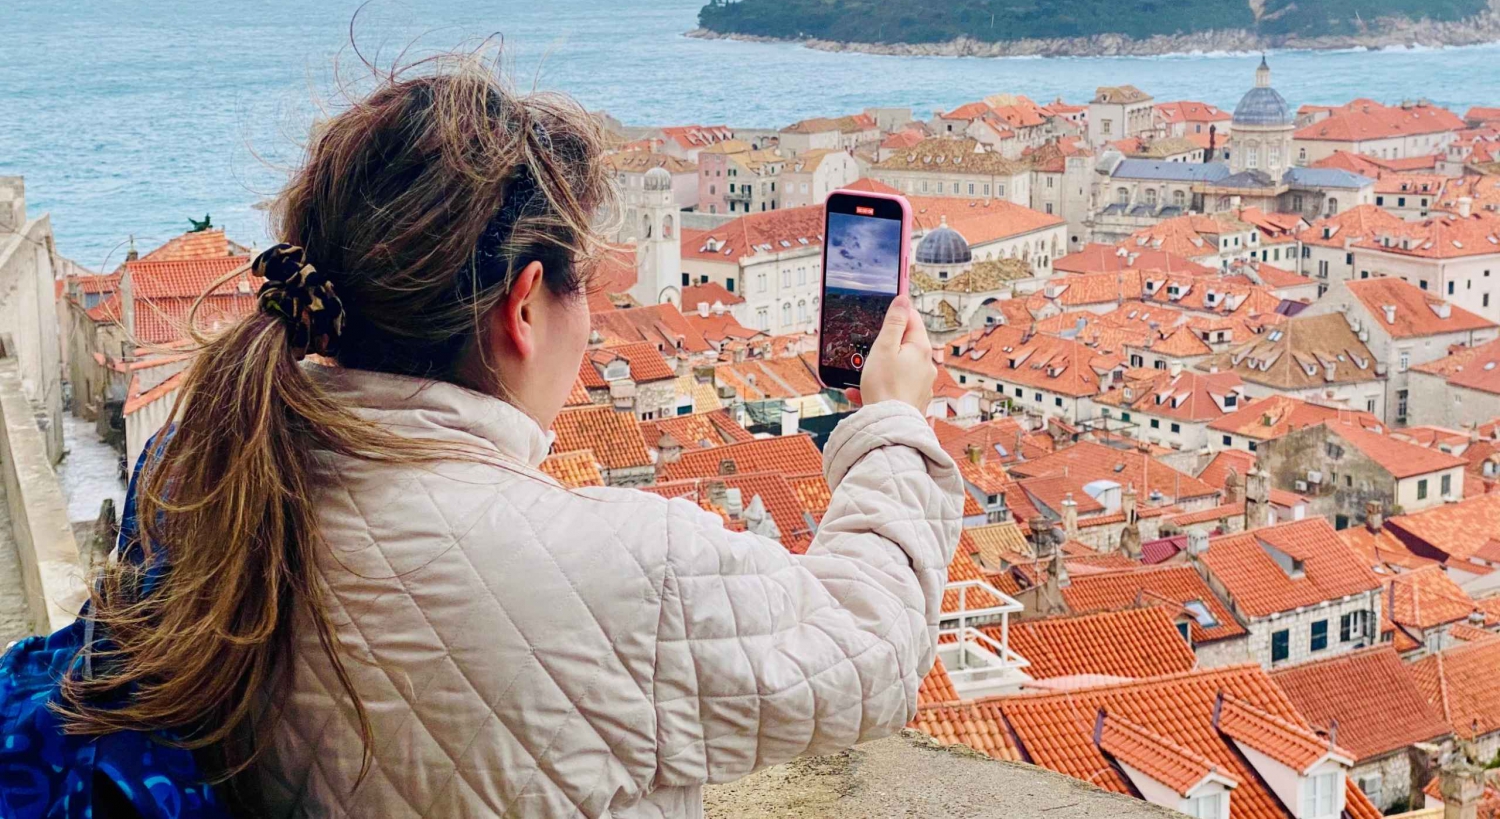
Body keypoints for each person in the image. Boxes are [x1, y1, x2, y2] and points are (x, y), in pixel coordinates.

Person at [62, 56, 964, 817]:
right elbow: (875, 649)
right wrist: (892, 420)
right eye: (585, 286)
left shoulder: (205, 480)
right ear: (524, 305)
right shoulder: (620, 570)